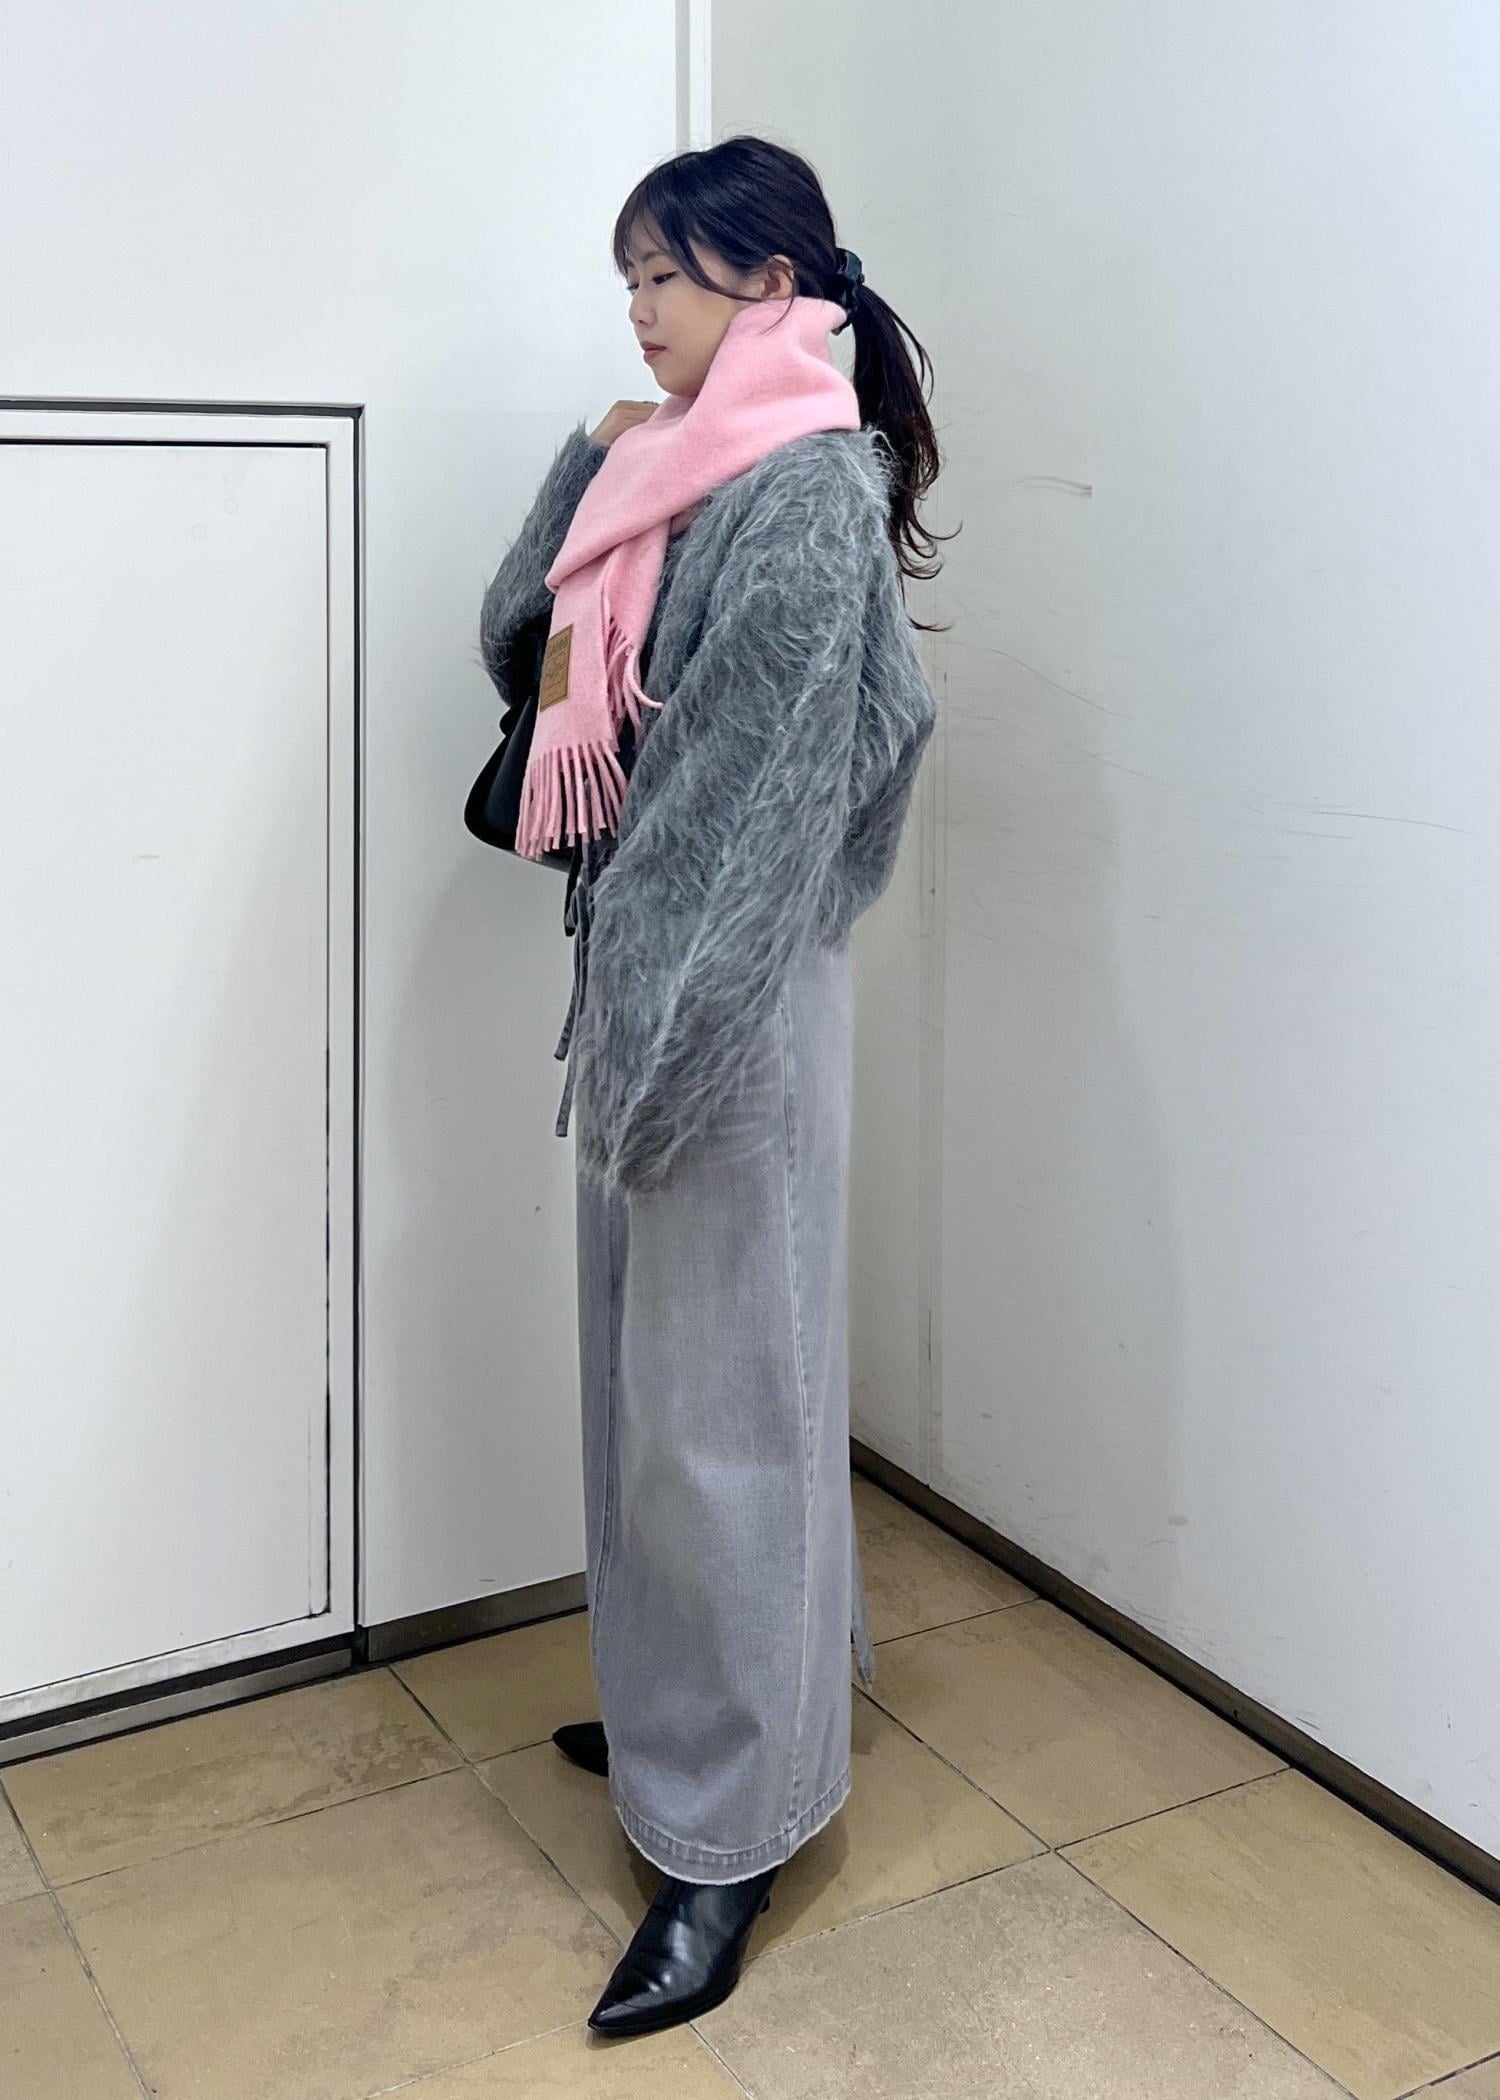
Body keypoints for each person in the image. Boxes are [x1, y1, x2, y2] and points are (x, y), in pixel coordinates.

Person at [477, 133, 949, 2041]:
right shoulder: (675, 464)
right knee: (658, 1390)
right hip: (652, 983)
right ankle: (701, 1705)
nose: (638, 312)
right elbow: (513, 642)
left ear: (767, 282)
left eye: (662, 276)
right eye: (628, 280)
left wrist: (662, 1039)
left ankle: (735, 1829)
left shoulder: (810, 486)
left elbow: (759, 802)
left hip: (725, 1006)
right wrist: (588, 462)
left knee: (724, 1402)